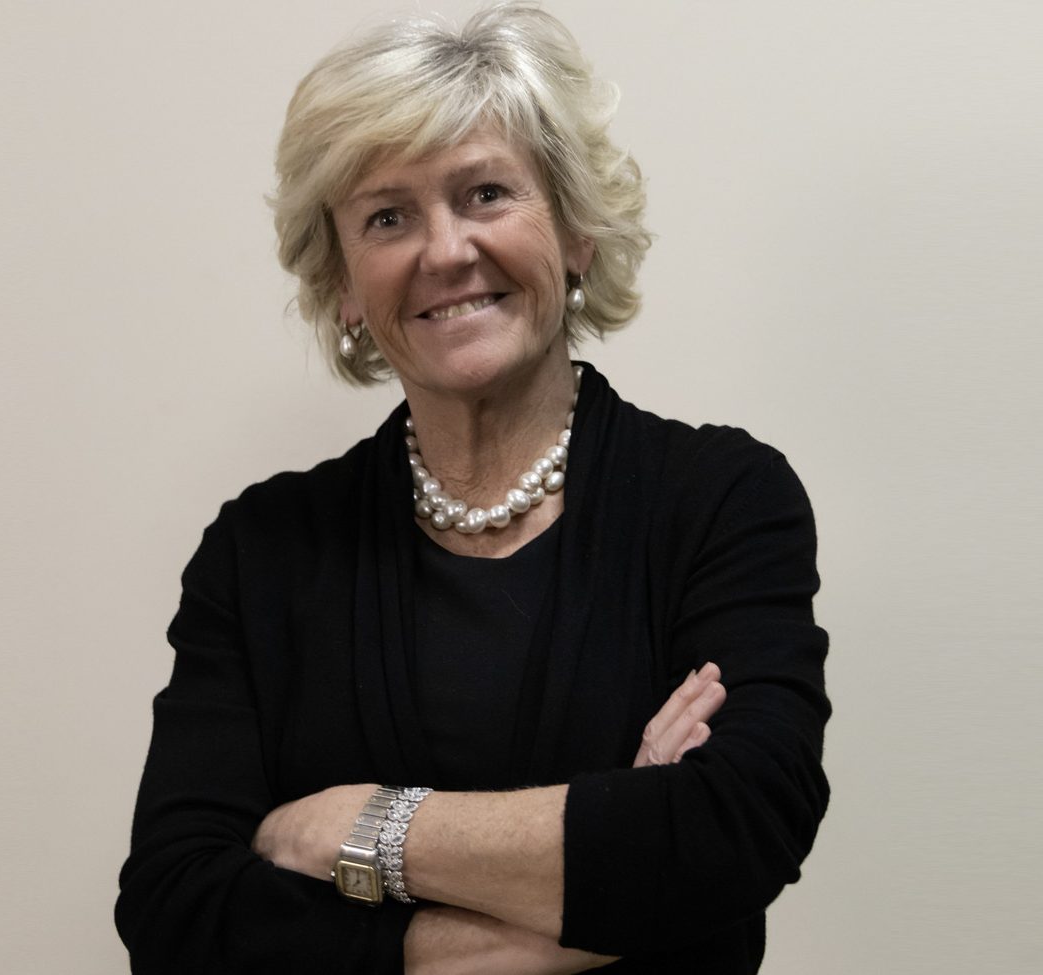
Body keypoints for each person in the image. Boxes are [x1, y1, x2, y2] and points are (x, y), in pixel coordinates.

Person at [115, 4, 829, 972]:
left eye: (486, 193)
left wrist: (355, 827)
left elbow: (735, 826)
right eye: (387, 217)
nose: (445, 251)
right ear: (343, 284)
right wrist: (606, 891)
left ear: (575, 230)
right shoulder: (264, 549)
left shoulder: (720, 501)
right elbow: (177, 915)